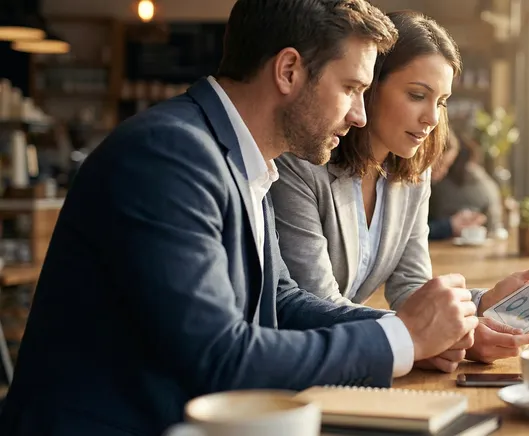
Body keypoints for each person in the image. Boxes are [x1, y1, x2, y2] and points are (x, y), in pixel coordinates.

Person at [0, 2, 489, 435]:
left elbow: (283, 300)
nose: (359, 116)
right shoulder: (170, 155)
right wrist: (402, 337)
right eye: (351, 88)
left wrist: (417, 333)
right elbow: (220, 358)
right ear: (289, 71)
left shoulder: (238, 158)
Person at [271, 10, 529, 373]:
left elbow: (410, 287)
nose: (432, 118)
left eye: (442, 101)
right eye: (418, 95)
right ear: (369, 86)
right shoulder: (300, 166)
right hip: (304, 363)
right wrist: (436, 335)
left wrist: (482, 303)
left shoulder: (412, 175)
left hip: (358, 362)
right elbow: (316, 303)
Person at [429, 131, 503, 239]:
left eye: (447, 166)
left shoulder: (436, 186)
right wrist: (450, 225)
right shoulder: (485, 182)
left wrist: (450, 225)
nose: (443, 172)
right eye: (442, 165)